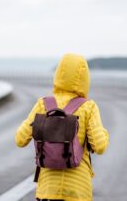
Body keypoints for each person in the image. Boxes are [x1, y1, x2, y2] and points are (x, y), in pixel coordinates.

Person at [15, 53, 109, 201]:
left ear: (58, 74)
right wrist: (103, 132)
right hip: (78, 190)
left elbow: (20, 140)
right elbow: (100, 146)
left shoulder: (43, 104)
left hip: (47, 190)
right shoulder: (88, 107)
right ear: (85, 77)